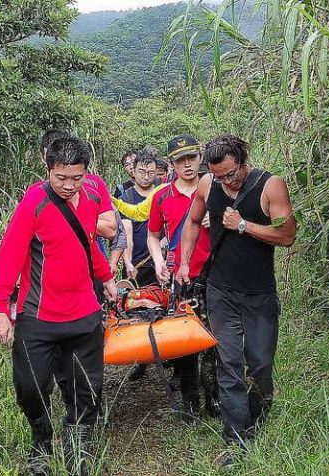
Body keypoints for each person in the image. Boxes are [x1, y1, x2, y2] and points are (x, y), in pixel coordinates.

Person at [0, 136, 117, 476]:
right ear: (48, 169)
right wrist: (0, 307)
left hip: (84, 315)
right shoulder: (35, 201)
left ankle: (78, 451)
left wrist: (105, 279)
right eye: (61, 178)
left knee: (86, 389)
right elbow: (10, 255)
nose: (69, 186)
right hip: (38, 316)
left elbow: (89, 244)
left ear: (86, 173)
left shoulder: (90, 196)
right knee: (30, 387)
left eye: (76, 177)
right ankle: (42, 441)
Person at [176, 134, 297, 463]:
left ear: (244, 161)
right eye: (219, 176)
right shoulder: (206, 185)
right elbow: (191, 221)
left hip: (259, 292)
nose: (226, 181)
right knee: (228, 363)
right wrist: (184, 260)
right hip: (220, 290)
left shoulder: (270, 186)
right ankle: (236, 440)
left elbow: (287, 235)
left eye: (231, 174)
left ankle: (256, 423)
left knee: (260, 363)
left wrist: (244, 225)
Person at [147, 134, 213, 420]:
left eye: (192, 158)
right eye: (180, 160)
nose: (187, 165)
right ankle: (189, 402)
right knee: (185, 340)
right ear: (171, 164)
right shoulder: (162, 196)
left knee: (217, 338)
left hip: (217, 271)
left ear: (200, 158)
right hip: (182, 276)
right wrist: (160, 260)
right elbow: (153, 235)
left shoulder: (216, 187)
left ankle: (215, 398)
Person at [119, 150, 159, 286]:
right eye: (141, 172)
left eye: (150, 173)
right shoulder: (126, 198)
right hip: (136, 265)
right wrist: (128, 262)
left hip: (161, 263)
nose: (146, 177)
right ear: (133, 171)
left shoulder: (163, 194)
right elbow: (126, 232)